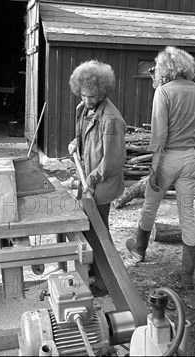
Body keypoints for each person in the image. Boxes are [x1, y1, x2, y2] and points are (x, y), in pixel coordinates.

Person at [125, 46, 195, 290]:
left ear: (164, 69)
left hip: (168, 157)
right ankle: (187, 275)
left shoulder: (163, 91)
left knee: (150, 204)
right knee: (187, 216)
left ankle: (139, 250)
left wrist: (154, 169)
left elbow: (159, 134)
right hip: (190, 158)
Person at [67, 59, 127, 295]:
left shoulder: (111, 119)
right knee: (88, 229)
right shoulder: (83, 110)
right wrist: (75, 143)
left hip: (100, 185)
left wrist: (90, 179)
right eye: (83, 95)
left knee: (99, 233)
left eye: (92, 96)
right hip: (88, 181)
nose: (87, 100)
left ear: (102, 91)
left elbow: (112, 161)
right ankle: (92, 272)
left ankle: (106, 283)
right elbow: (83, 139)